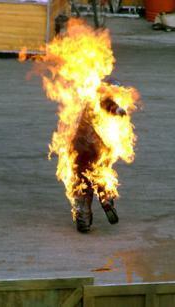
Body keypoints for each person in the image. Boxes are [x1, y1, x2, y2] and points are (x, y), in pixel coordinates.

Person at [71, 80, 127, 233]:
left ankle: (83, 216)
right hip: (96, 148)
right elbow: (108, 104)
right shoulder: (99, 99)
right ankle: (106, 199)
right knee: (100, 175)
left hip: (78, 148)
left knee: (82, 183)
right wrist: (118, 110)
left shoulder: (87, 101)